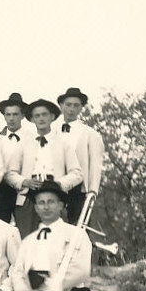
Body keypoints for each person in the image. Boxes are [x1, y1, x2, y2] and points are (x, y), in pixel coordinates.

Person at [9, 180, 92, 291]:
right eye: (41, 203)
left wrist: (47, 290)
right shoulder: (28, 241)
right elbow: (17, 272)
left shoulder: (76, 234)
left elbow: (81, 269)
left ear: (61, 205)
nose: (46, 207)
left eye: (51, 202)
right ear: (35, 208)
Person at [5, 98, 83, 238]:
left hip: (54, 195)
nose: (41, 119)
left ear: (52, 117)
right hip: (28, 198)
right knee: (27, 239)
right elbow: (10, 173)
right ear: (32, 119)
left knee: (56, 238)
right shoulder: (23, 144)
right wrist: (25, 182)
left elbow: (77, 173)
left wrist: (60, 184)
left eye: (44, 114)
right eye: (37, 115)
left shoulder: (63, 143)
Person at [54, 87, 105, 225]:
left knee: (78, 226)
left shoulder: (91, 134)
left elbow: (95, 164)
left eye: (76, 106)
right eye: (68, 105)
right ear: (61, 106)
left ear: (81, 108)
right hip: (54, 184)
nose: (71, 109)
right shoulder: (52, 130)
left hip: (79, 188)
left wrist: (92, 191)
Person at [0, 92, 34, 223]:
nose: (11, 118)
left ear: (22, 116)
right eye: (8, 114)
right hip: (1, 191)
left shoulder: (31, 138)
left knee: (24, 227)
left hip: (24, 188)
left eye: (15, 114)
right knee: (0, 228)